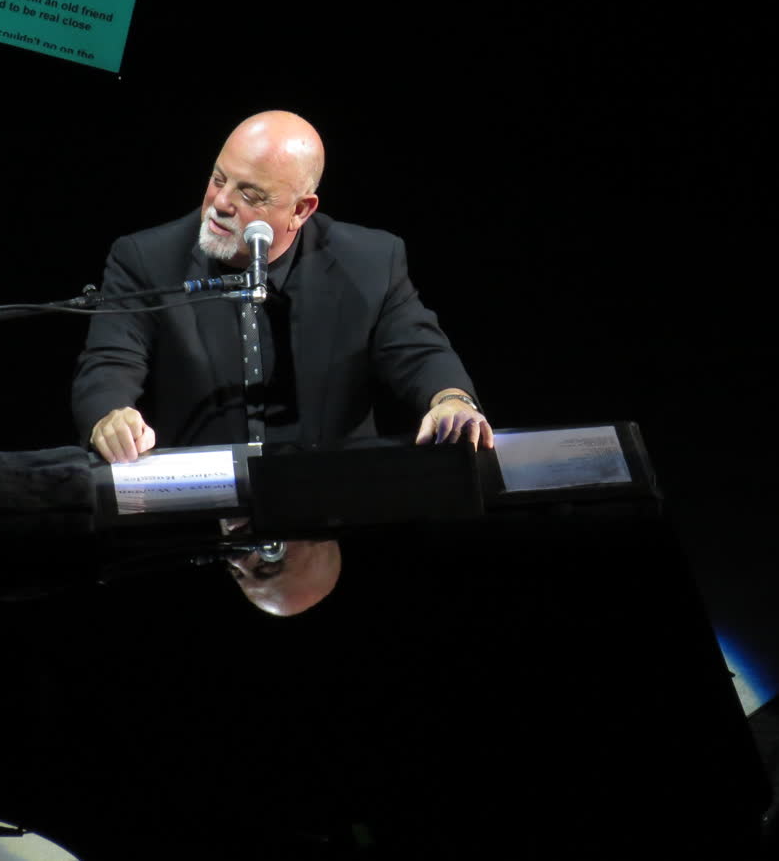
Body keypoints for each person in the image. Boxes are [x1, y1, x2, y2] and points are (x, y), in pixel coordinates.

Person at [71, 110, 491, 612]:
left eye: (250, 195)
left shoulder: (370, 260)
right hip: (199, 508)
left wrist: (450, 399)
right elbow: (108, 362)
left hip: (329, 497)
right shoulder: (146, 257)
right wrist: (110, 413)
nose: (220, 204)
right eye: (218, 179)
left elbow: (419, 351)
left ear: (301, 209)